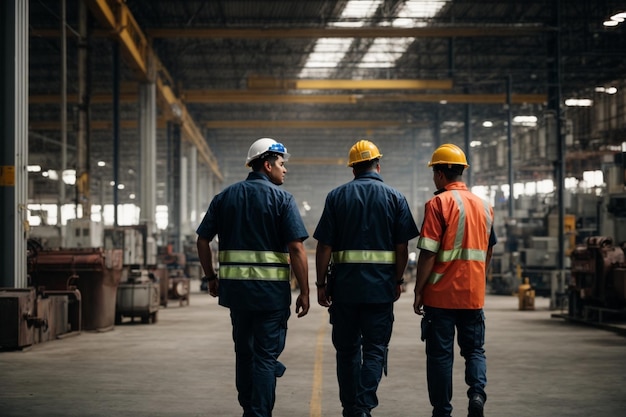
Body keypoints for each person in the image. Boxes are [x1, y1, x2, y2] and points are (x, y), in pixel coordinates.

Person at [196, 137, 310, 417]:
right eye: (282, 164)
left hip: (236, 295)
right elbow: (296, 248)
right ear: (268, 164)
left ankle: (249, 407)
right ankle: (258, 412)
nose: (285, 170)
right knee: (266, 356)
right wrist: (305, 291)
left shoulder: (225, 197)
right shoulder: (283, 199)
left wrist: (211, 277)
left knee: (244, 354)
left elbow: (202, 240)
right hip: (271, 297)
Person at [314, 139, 420, 417]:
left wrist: (321, 284)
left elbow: (324, 246)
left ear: (353, 169)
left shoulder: (336, 197)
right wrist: (398, 280)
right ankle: (363, 407)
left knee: (347, 351)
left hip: (345, 290)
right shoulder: (395, 197)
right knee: (374, 350)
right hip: (380, 290)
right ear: (378, 165)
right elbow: (402, 247)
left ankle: (350, 408)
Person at [412, 143, 497, 417]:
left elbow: (427, 252)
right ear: (461, 171)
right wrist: (480, 277)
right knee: (474, 351)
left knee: (440, 357)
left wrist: (418, 290)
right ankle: (476, 395)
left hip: (440, 296)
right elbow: (489, 248)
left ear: (439, 173)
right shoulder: (485, 206)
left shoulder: (438, 203)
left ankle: (442, 410)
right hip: (472, 295)